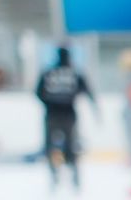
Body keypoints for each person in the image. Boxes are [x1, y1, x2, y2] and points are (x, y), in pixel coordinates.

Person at [35, 45, 98, 190]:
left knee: (50, 145)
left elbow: (38, 92)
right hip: (69, 113)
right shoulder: (74, 73)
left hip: (51, 113)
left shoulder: (48, 73)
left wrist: (49, 103)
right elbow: (87, 91)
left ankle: (54, 174)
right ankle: (74, 176)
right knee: (71, 144)